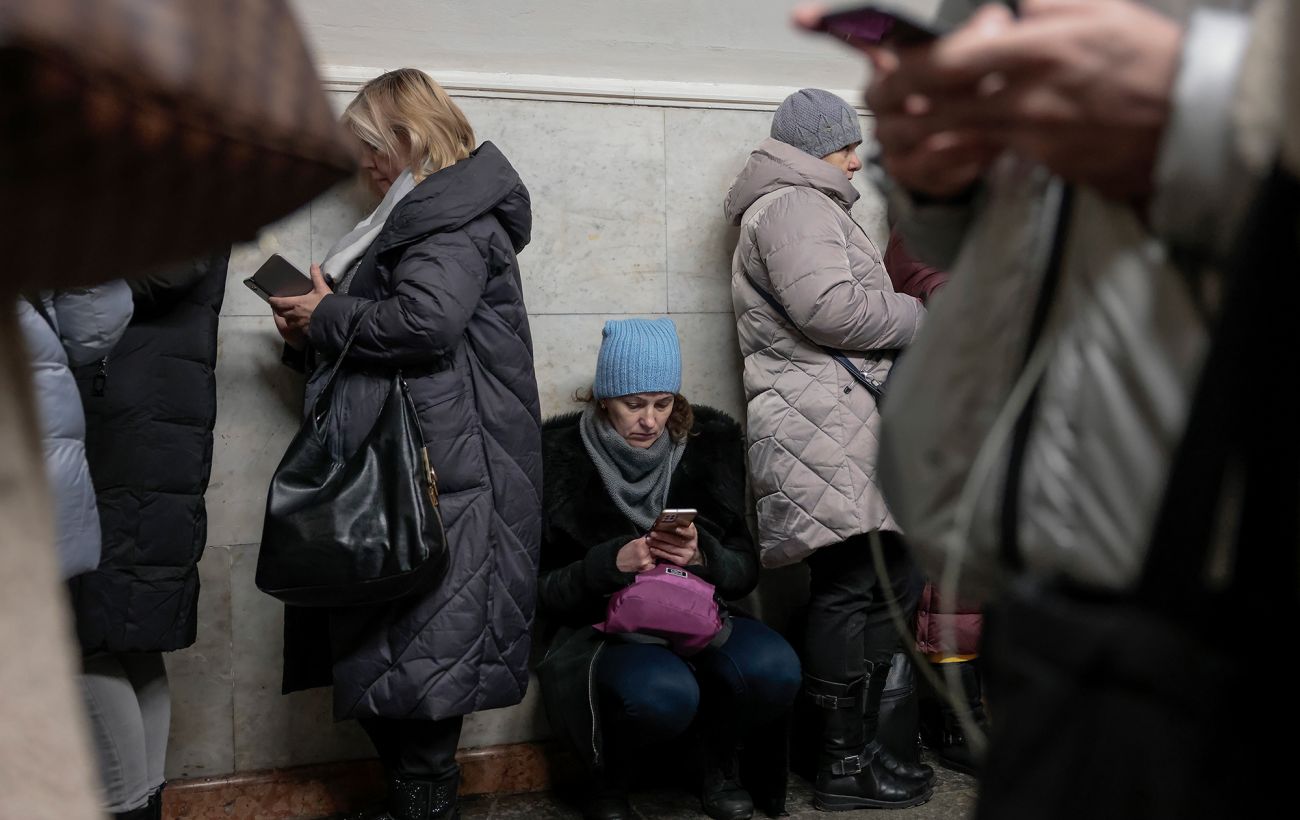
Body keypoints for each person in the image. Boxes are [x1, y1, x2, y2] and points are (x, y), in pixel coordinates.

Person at [811, 0, 1298, 815]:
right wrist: (940, 184)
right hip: (1042, 621)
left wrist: (1204, 99)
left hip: (1224, 633)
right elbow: (988, 247)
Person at [266, 68, 542, 820]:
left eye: (370, 145)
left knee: (425, 666)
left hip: (443, 471)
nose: (364, 164)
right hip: (423, 464)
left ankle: (426, 807)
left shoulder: (444, 218)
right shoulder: (421, 215)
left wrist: (327, 315)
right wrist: (314, 328)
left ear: (409, 135)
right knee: (403, 663)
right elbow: (396, 329)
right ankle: (419, 803)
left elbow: (425, 324)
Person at [723, 89, 933, 812]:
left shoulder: (801, 206)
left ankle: (862, 748)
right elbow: (829, 310)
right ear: (816, 148)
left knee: (887, 578)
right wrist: (919, 314)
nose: (855, 160)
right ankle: (841, 763)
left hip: (836, 422)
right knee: (851, 584)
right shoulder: (793, 206)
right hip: (822, 424)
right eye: (846, 146)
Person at [535, 318, 801, 820]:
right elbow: (539, 589)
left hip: (699, 614)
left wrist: (703, 557)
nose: (650, 421)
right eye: (633, 404)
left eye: (662, 403)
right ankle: (610, 780)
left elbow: (744, 571)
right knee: (661, 691)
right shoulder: (559, 458)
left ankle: (715, 767)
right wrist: (607, 565)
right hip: (603, 629)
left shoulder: (709, 445)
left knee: (774, 667)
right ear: (604, 399)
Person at [63, 252, 228, 820]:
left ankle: (129, 809)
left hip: (124, 414)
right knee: (120, 627)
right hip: (132, 408)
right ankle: (142, 806)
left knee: (81, 625)